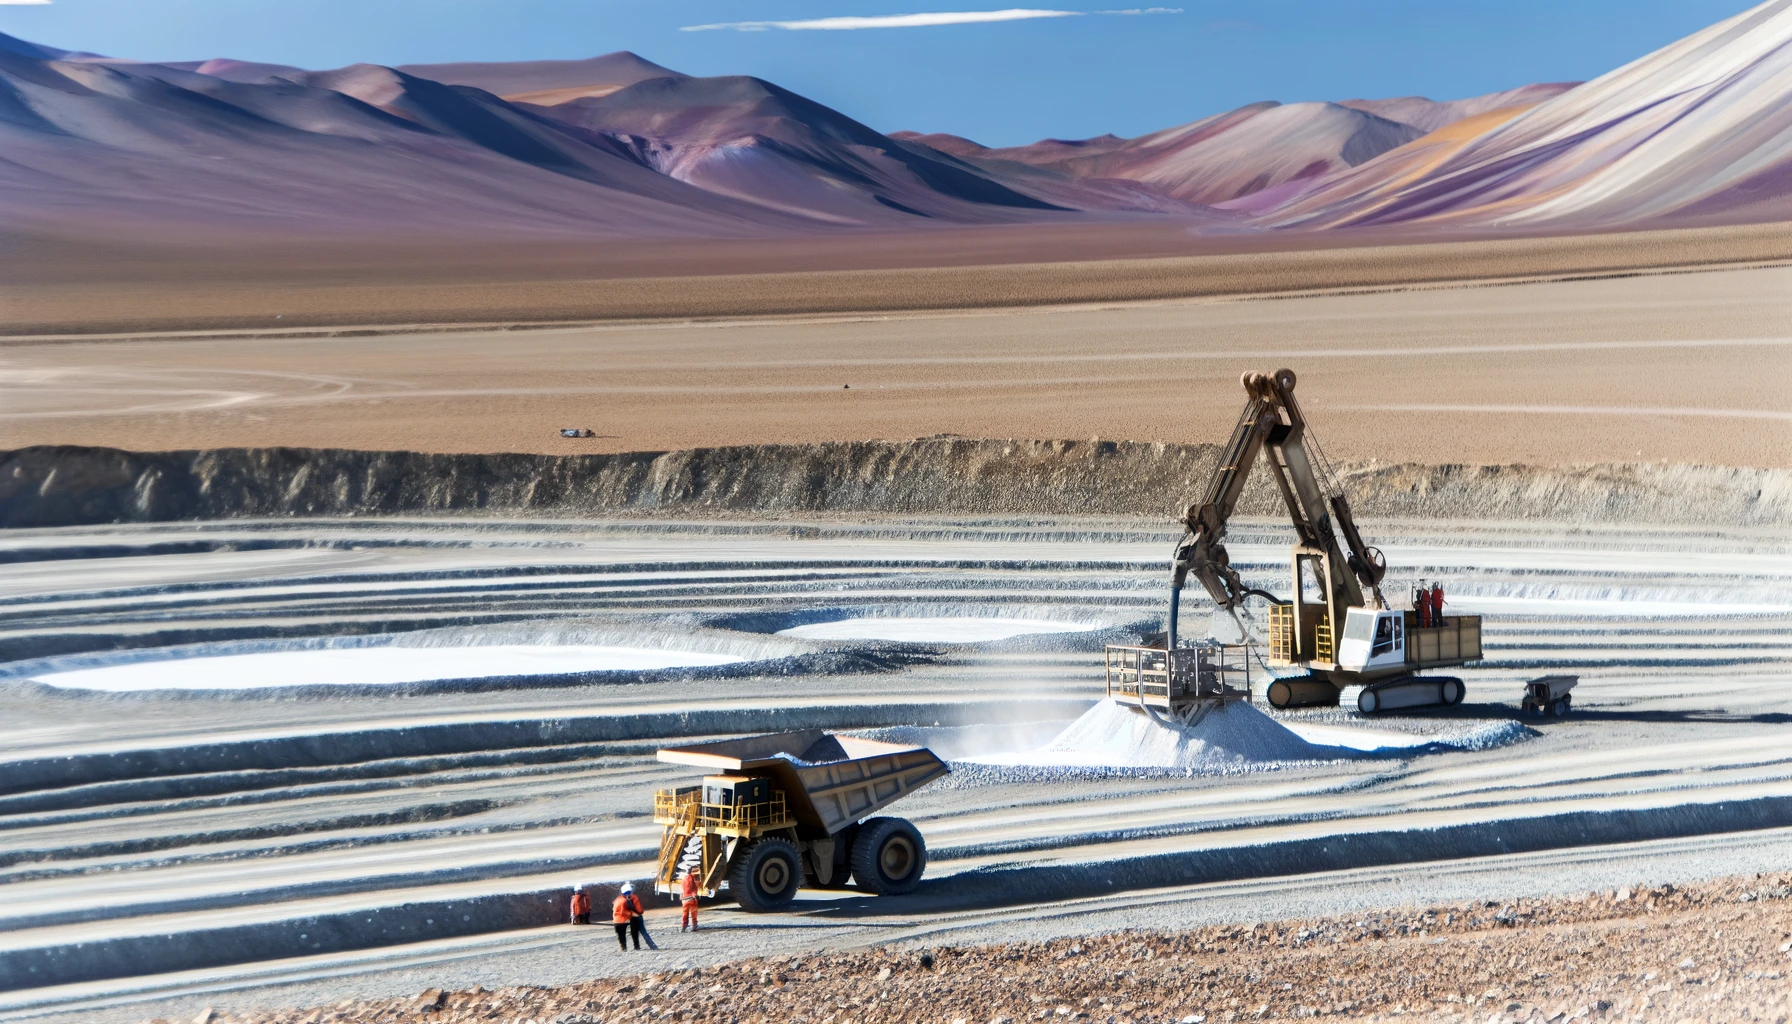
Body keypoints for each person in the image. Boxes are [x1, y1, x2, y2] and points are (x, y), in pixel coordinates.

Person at [612, 882, 645, 951]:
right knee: (634, 932)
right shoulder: (626, 900)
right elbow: (623, 912)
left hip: (616, 920)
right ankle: (636, 946)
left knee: (621, 936)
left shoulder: (617, 900)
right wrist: (631, 914)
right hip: (624, 919)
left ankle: (624, 948)